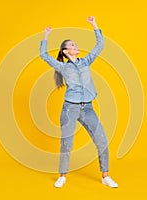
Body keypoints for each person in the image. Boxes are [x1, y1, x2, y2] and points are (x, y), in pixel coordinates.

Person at [40, 16, 118, 188]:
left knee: (102, 141)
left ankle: (105, 176)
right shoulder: (63, 67)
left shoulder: (86, 61)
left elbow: (100, 46)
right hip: (70, 109)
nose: (76, 46)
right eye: (73, 45)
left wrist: (94, 25)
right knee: (67, 143)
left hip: (88, 108)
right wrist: (46, 36)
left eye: (75, 44)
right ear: (66, 51)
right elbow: (43, 55)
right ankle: (62, 176)